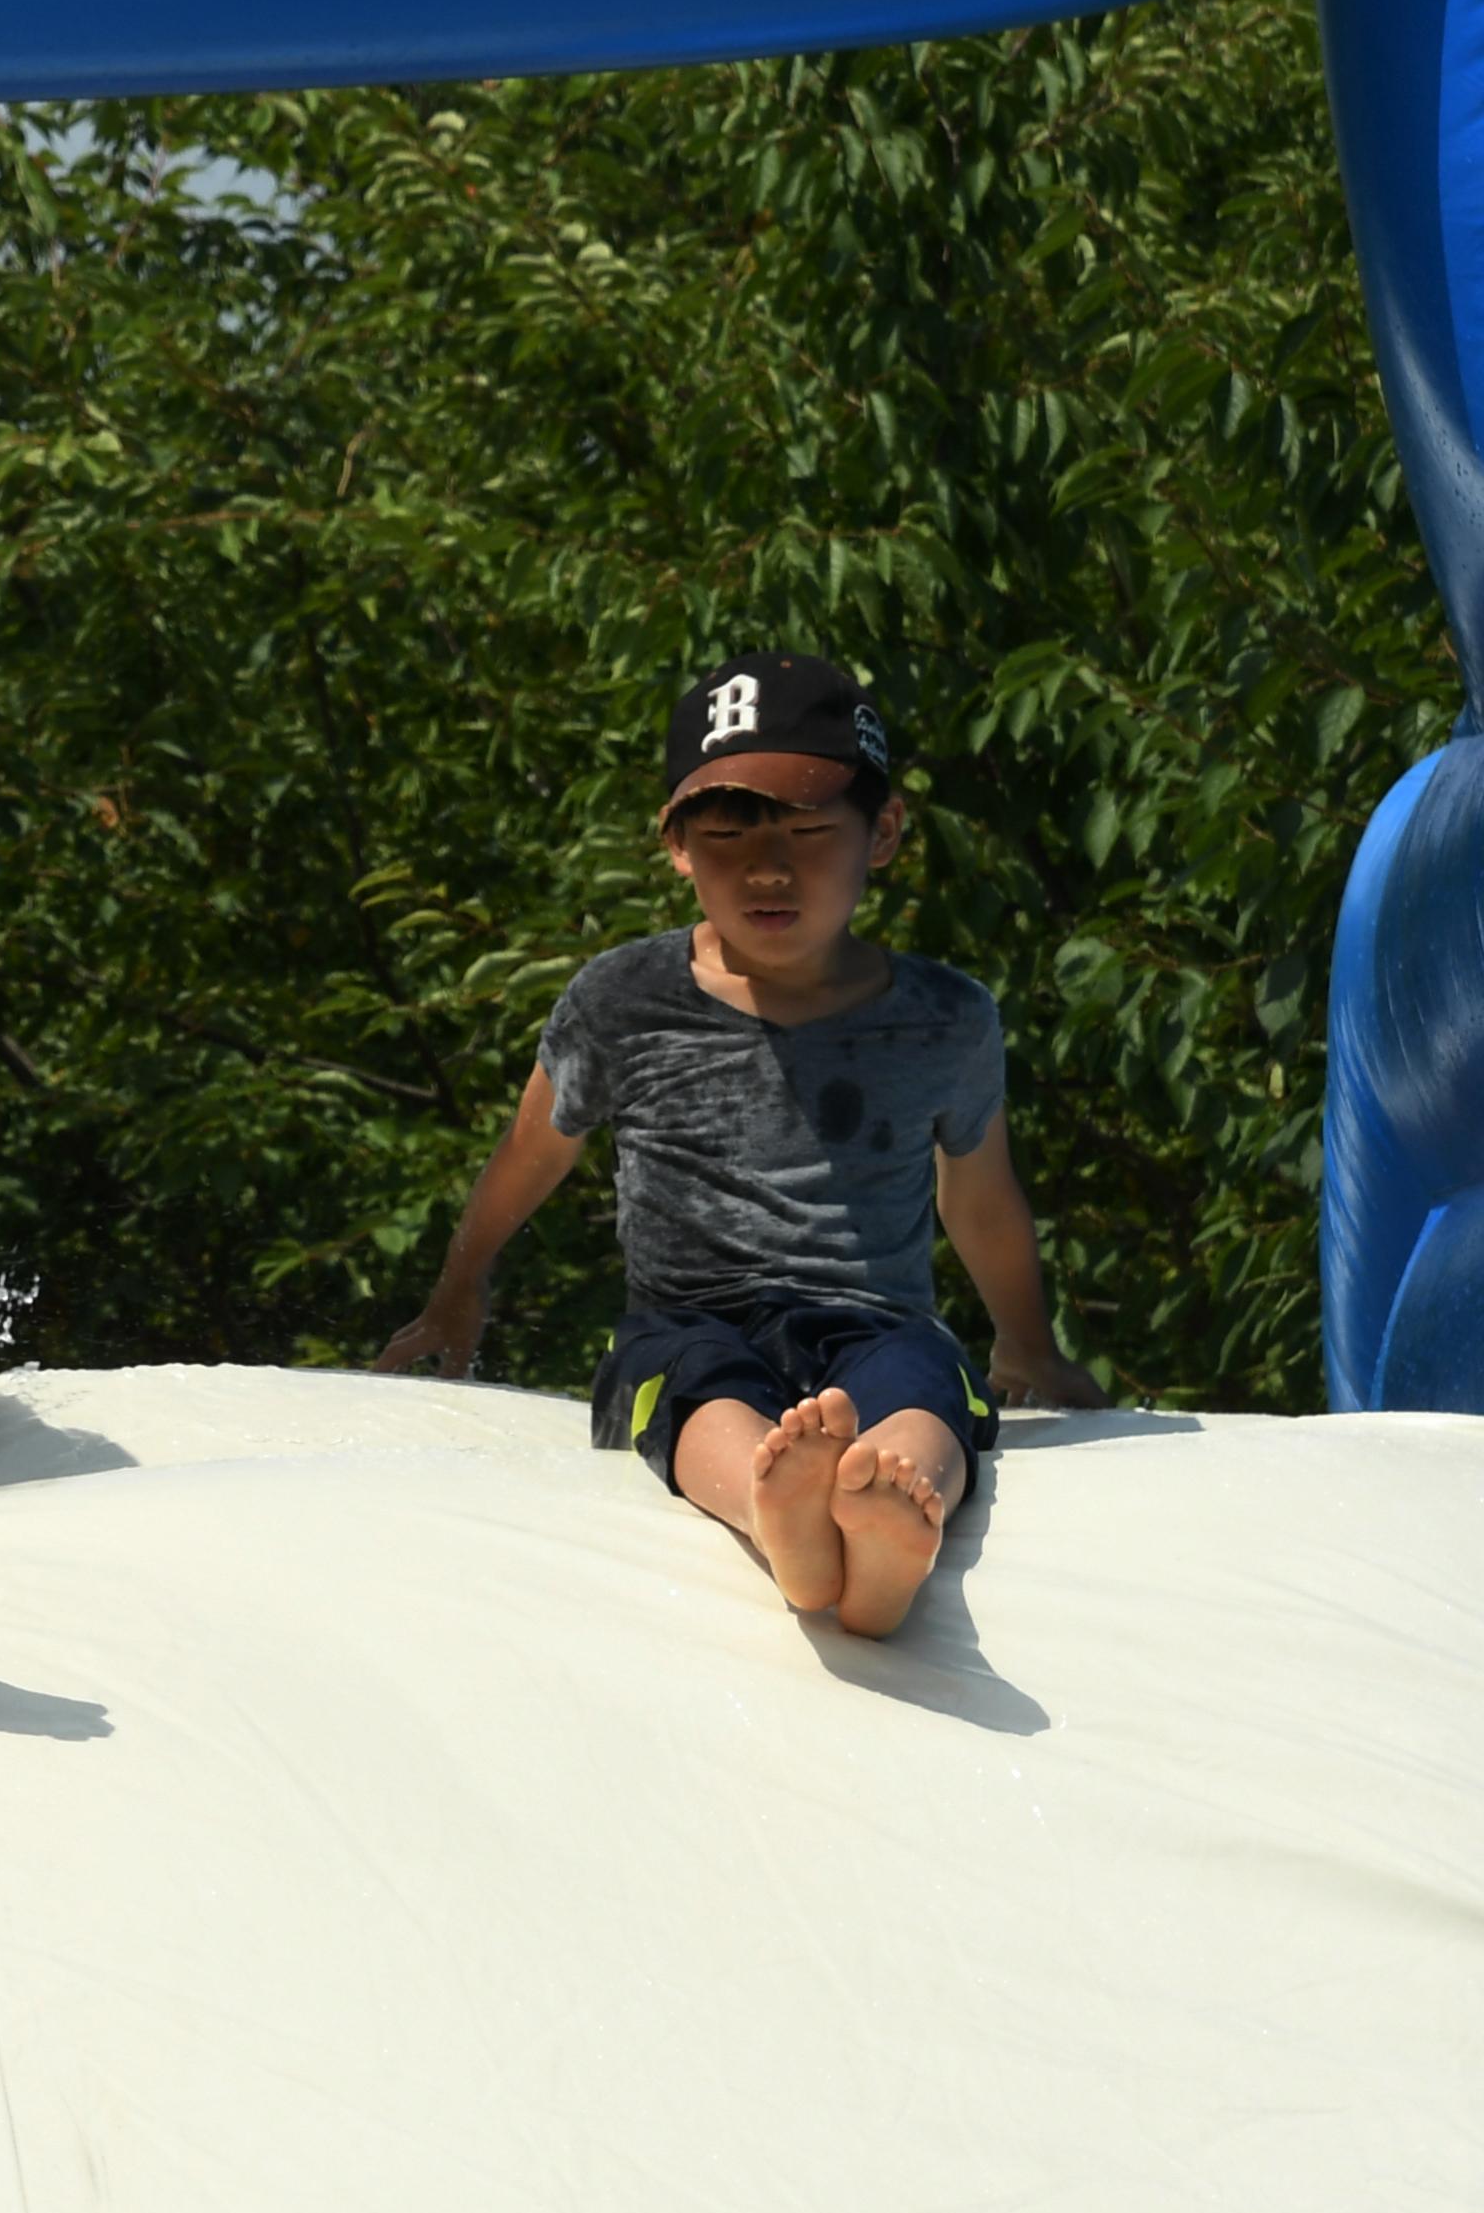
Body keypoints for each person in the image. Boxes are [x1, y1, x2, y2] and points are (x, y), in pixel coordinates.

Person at [375, 651, 1105, 1636]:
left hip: (873, 1317)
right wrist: (459, 1289)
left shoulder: (944, 1018)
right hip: (686, 1315)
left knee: (925, 1386)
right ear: (675, 846)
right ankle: (775, 1507)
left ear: (881, 830)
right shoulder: (622, 999)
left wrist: (1029, 1345)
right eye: (725, 834)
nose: (767, 868)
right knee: (687, 1386)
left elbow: (978, 1197)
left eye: (809, 830)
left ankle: (896, 1522)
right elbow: (532, 1153)